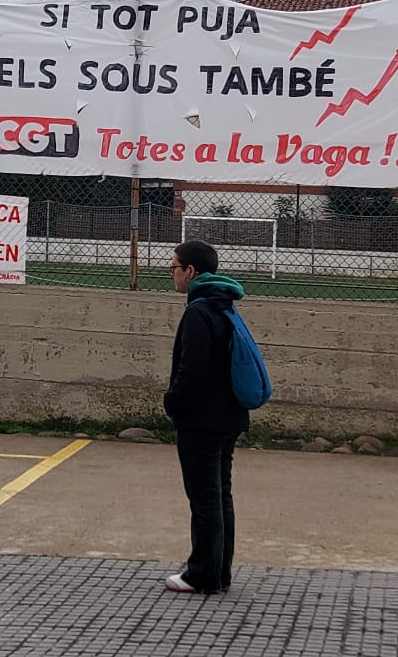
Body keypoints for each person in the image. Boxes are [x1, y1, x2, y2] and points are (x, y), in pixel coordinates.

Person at [162, 240, 249, 595]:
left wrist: (172, 402)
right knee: (220, 495)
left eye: (174, 267)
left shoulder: (198, 311)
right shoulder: (224, 305)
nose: (172, 274)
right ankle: (218, 571)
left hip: (202, 420)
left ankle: (201, 574)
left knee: (204, 499)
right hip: (228, 416)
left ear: (191, 271)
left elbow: (192, 369)